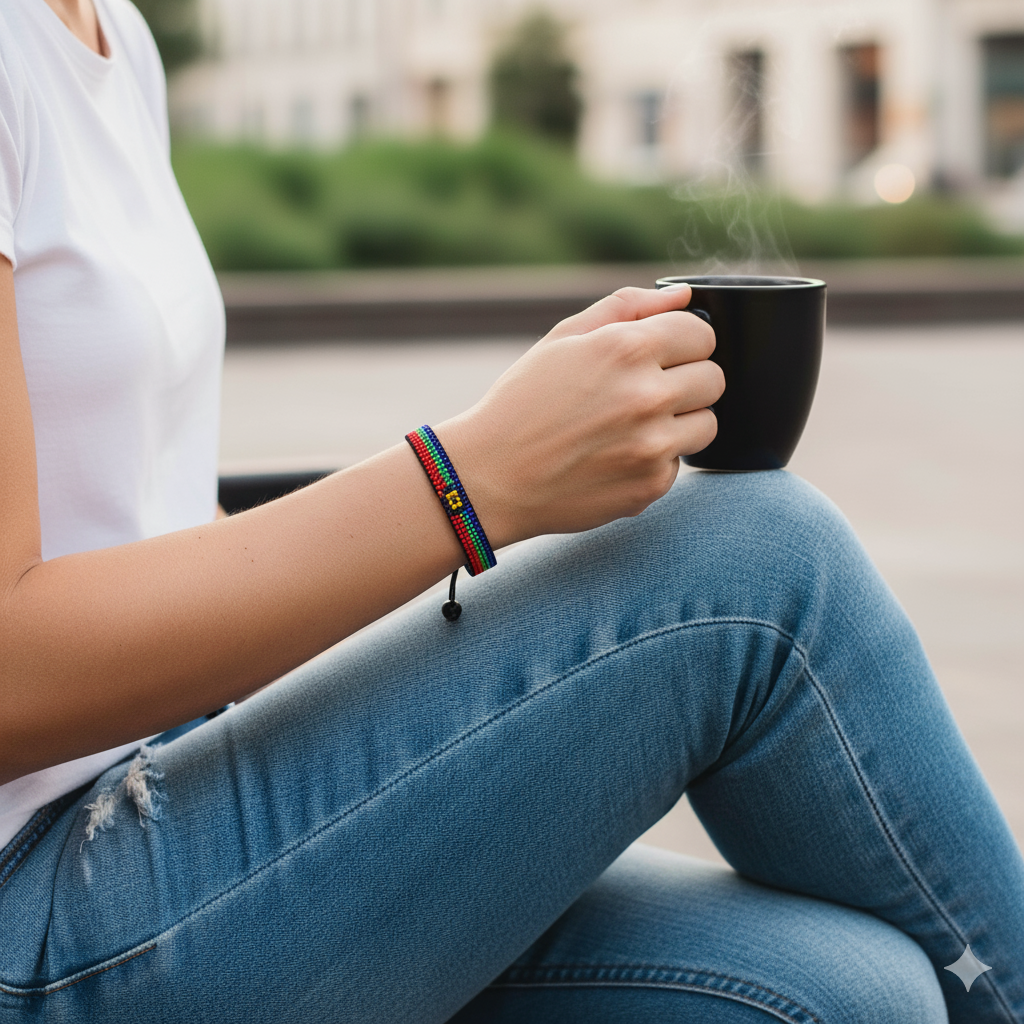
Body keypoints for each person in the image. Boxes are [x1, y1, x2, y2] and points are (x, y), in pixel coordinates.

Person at [0, 0, 1021, 1021]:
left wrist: (503, 505)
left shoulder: (111, 35)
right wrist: (469, 479)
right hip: (35, 908)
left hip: (168, 763)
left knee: (861, 995)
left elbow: (142, 501)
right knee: (756, 562)